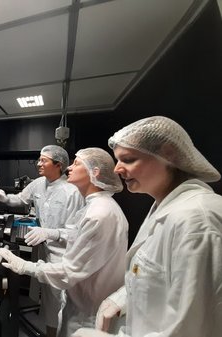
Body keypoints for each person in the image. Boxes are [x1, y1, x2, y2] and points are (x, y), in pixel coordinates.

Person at [73, 116, 222, 337]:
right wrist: (121, 298)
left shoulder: (197, 220)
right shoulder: (164, 207)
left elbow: (195, 328)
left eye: (129, 159)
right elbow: (159, 279)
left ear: (169, 154)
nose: (117, 170)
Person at [0, 147, 129, 337]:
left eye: (76, 163)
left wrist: (25, 265)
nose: (70, 168)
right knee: (52, 307)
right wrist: (5, 198)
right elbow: (77, 234)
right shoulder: (95, 206)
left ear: (95, 172)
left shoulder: (93, 209)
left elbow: (69, 270)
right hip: (71, 282)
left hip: (85, 303)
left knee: (56, 306)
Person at [0, 145, 84, 337]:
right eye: (39, 159)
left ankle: (55, 333)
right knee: (46, 296)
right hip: (42, 248)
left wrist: (51, 233)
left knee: (58, 302)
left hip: (62, 253)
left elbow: (76, 232)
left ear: (58, 165)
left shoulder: (72, 192)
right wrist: (5, 198)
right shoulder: (38, 183)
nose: (38, 163)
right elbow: (21, 199)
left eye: (44, 160)